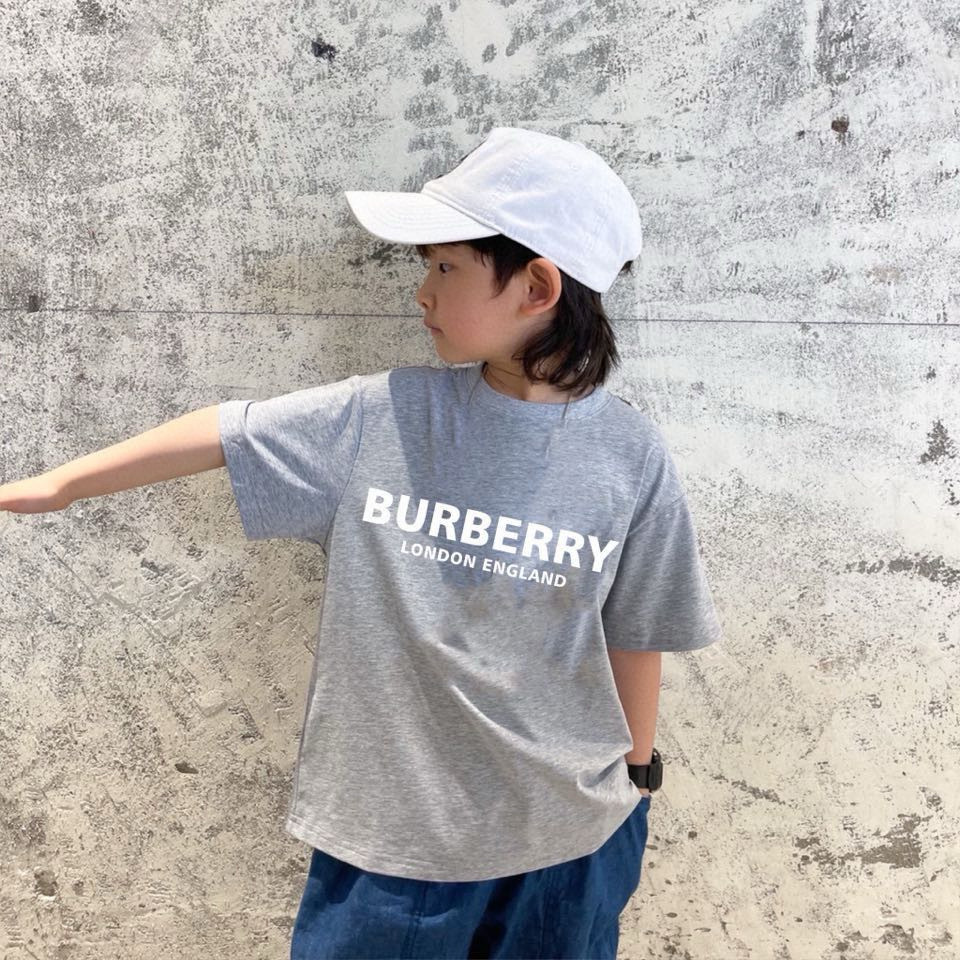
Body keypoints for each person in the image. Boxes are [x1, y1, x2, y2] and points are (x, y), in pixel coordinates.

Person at [0, 126, 722, 959]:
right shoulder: (386, 416)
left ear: (536, 287)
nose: (422, 292)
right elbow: (229, 432)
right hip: (393, 845)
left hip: (570, 843)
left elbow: (638, 628)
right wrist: (58, 485)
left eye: (444, 268)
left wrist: (636, 779)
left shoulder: (631, 456)